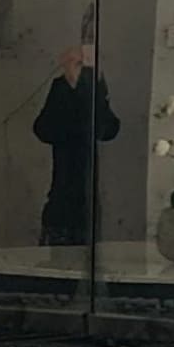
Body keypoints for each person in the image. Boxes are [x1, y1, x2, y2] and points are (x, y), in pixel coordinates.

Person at [34, 40, 122, 246]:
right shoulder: (60, 88)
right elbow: (43, 129)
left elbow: (107, 129)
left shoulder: (95, 89)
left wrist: (92, 88)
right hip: (62, 187)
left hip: (87, 191)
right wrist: (70, 85)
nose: (81, 69)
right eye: (77, 63)